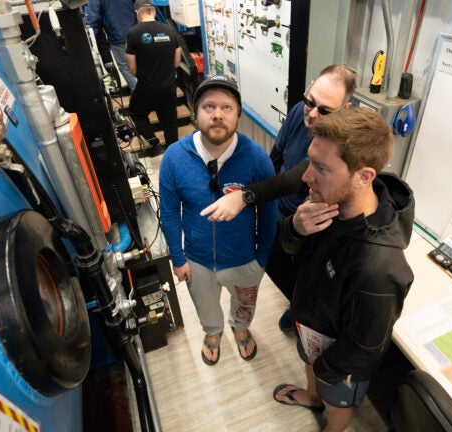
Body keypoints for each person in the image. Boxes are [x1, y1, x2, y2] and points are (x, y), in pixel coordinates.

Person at [271, 107, 415, 432]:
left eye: (321, 168)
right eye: (310, 162)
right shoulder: (329, 202)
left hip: (337, 361)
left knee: (337, 403)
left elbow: (364, 348)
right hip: (310, 325)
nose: (307, 177)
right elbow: (288, 250)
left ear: (363, 176)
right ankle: (312, 397)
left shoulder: (378, 267)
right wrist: (295, 227)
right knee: (313, 375)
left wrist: (326, 367)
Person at [205, 65, 356, 334]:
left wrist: (247, 196)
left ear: (345, 109)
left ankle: (298, 308)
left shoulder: (341, 141)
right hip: (277, 208)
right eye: (311, 101)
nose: (312, 113)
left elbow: (297, 176)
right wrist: (256, 202)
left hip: (307, 221)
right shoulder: (301, 112)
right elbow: (276, 158)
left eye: (324, 110)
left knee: (298, 277)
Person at [159, 75, 277, 366]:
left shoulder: (256, 157)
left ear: (238, 115)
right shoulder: (174, 157)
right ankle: (213, 333)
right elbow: (170, 211)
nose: (217, 114)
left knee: (245, 303)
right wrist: (178, 257)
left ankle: (240, 327)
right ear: (195, 112)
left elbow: (270, 211)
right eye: (209, 106)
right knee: (205, 306)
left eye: (227, 108)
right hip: (196, 260)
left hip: (244, 259)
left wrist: (261, 258)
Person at [125, 0, 181, 157]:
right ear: (154, 12)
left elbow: (131, 67)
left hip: (147, 87)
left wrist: (146, 75)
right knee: (169, 121)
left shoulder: (133, 34)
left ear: (138, 14)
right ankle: (174, 152)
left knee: (136, 113)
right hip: (169, 86)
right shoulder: (170, 31)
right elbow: (176, 62)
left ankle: (154, 143)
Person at [85, 0, 138, 92]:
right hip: (135, 30)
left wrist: (89, 38)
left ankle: (138, 93)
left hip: (117, 33)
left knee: (124, 66)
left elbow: (93, 17)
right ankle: (148, 91)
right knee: (141, 63)